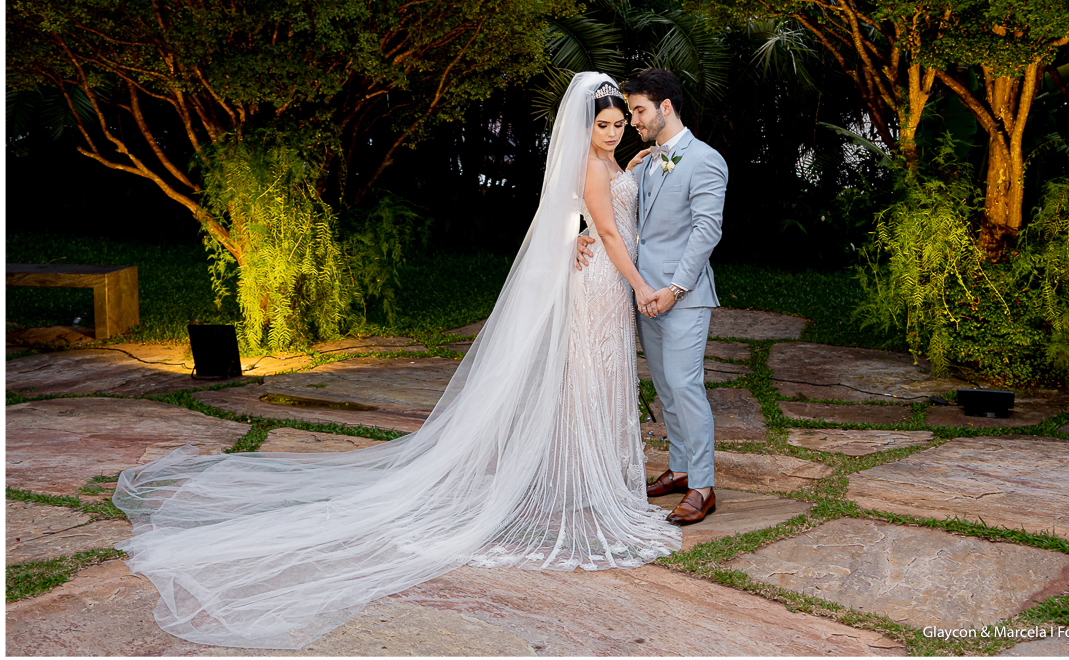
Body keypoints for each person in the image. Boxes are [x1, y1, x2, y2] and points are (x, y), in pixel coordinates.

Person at [111, 72, 681, 650]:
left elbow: (612, 212)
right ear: (584, 127)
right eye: (601, 125)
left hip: (613, 287)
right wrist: (632, 280)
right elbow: (606, 231)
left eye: (616, 125)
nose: (610, 133)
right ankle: (580, 482)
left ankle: (598, 479)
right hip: (604, 286)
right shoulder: (587, 164)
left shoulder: (622, 162)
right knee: (588, 379)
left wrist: (622, 186)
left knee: (605, 378)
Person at [577, 69, 728, 526]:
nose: (632, 121)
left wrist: (674, 289)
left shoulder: (705, 160)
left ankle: (702, 486)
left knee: (686, 387)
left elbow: (706, 231)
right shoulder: (648, 160)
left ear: (665, 108)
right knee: (666, 389)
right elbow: (616, 217)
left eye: (638, 111)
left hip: (679, 294)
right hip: (642, 294)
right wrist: (580, 237)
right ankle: (680, 470)